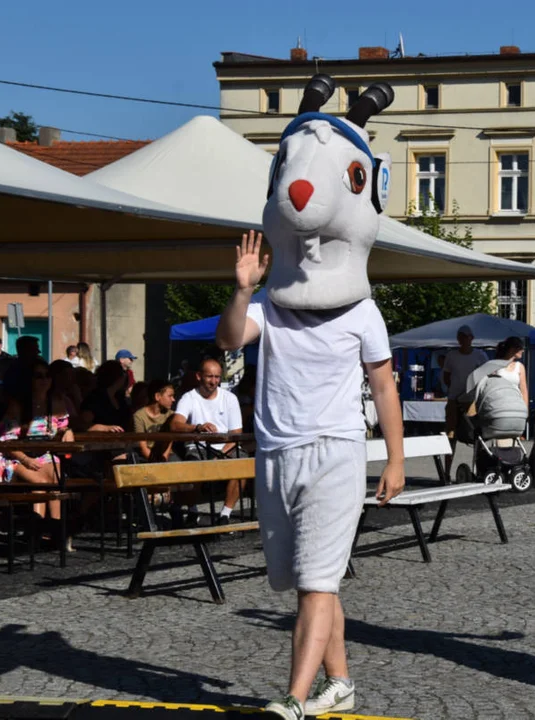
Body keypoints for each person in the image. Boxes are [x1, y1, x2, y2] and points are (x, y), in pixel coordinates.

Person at [216, 230, 404, 719]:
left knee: (319, 580)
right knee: (305, 582)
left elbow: (383, 386)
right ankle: (339, 682)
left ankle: (294, 699)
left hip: (336, 452)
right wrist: (242, 289)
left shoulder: (362, 310)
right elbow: (229, 340)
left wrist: (395, 459)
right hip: (277, 454)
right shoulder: (271, 305)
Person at [0, 358, 75, 536]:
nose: (44, 380)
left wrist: (66, 430)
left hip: (43, 453)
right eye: (38, 376)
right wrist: (26, 459)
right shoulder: (18, 405)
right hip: (15, 455)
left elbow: (61, 426)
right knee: (40, 483)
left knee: (55, 478)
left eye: (47, 376)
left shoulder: (56, 403)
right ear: (29, 380)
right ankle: (38, 531)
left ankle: (55, 529)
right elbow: (6, 441)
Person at [170, 358, 244, 524]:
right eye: (209, 376)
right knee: (194, 465)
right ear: (199, 376)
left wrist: (220, 455)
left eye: (217, 377)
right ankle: (192, 510)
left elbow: (236, 433)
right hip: (198, 445)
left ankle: (225, 514)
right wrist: (197, 428)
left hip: (226, 446)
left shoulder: (230, 398)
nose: (214, 381)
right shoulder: (189, 398)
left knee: (243, 464)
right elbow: (175, 424)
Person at [441, 325, 489, 465]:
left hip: (471, 401)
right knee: (451, 435)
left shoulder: (480, 355)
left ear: (471, 338)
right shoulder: (452, 355)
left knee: (475, 435)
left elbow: (485, 375)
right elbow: (446, 376)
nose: (462, 339)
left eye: (465, 336)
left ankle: (477, 468)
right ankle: (447, 471)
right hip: (454, 399)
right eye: (460, 337)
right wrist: (454, 390)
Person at [79, 361, 133, 432]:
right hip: (99, 441)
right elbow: (83, 425)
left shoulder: (120, 397)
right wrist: (104, 428)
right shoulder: (95, 398)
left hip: (122, 441)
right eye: (122, 372)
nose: (124, 376)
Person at [132, 380, 177, 462]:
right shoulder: (139, 416)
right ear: (157, 396)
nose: (173, 399)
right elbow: (143, 446)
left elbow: (170, 441)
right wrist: (154, 461)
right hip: (147, 455)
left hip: (167, 454)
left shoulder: (171, 415)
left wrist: (164, 458)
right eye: (170, 396)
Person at [494, 336, 529, 409]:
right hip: (499, 405)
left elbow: (524, 391)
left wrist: (525, 411)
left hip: (516, 405)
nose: (523, 351)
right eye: (521, 348)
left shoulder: (520, 367)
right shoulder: (496, 365)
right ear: (513, 349)